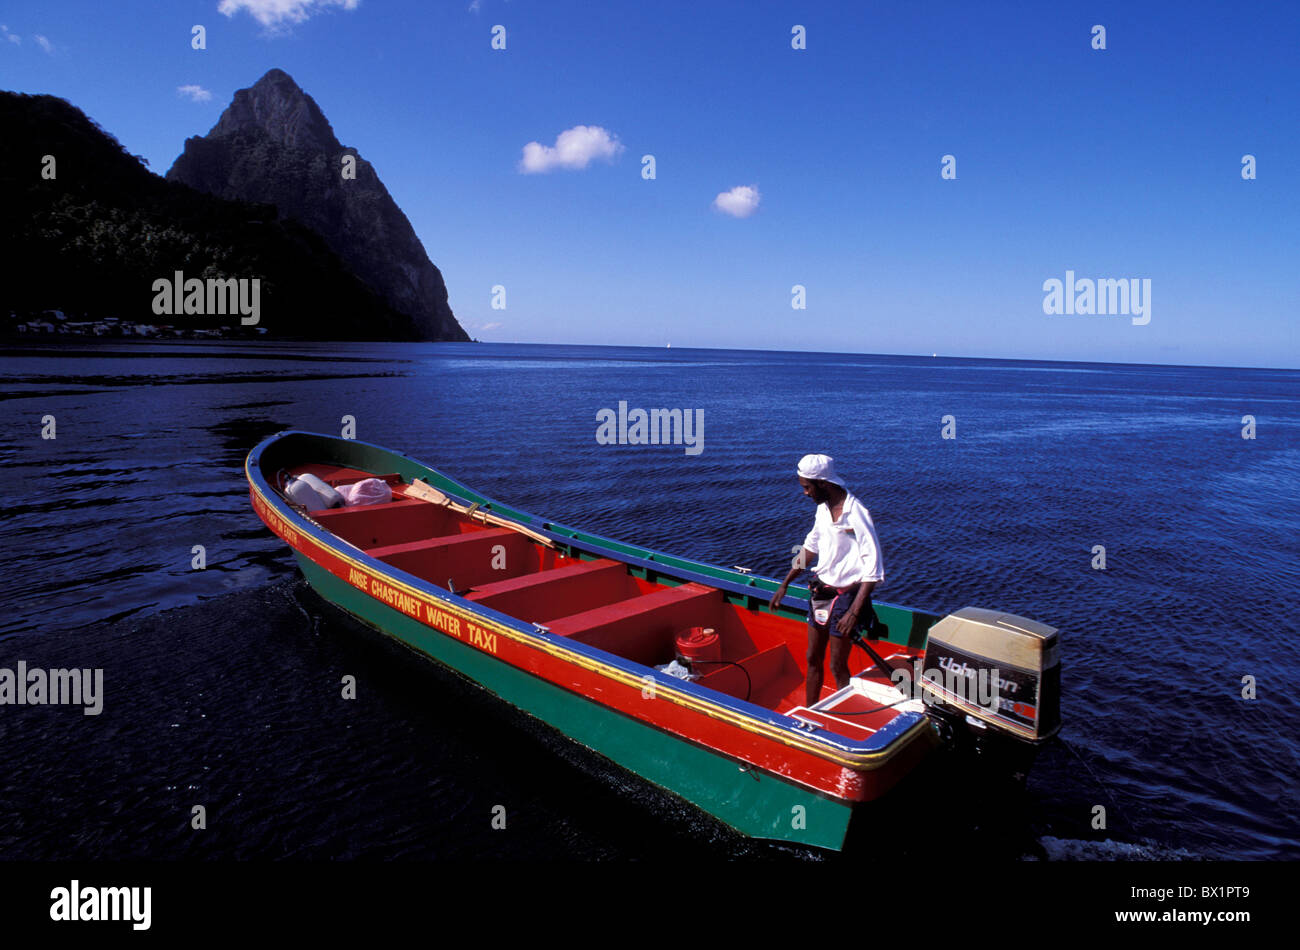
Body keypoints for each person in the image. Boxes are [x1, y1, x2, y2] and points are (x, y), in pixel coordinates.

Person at [767, 454, 886, 707]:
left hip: (845, 599)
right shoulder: (822, 510)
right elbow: (809, 549)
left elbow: (873, 568)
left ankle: (845, 715)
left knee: (837, 664)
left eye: (807, 487)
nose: (805, 493)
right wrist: (785, 584)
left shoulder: (856, 513)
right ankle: (810, 711)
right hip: (821, 594)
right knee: (812, 657)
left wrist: (854, 612)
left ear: (823, 483)